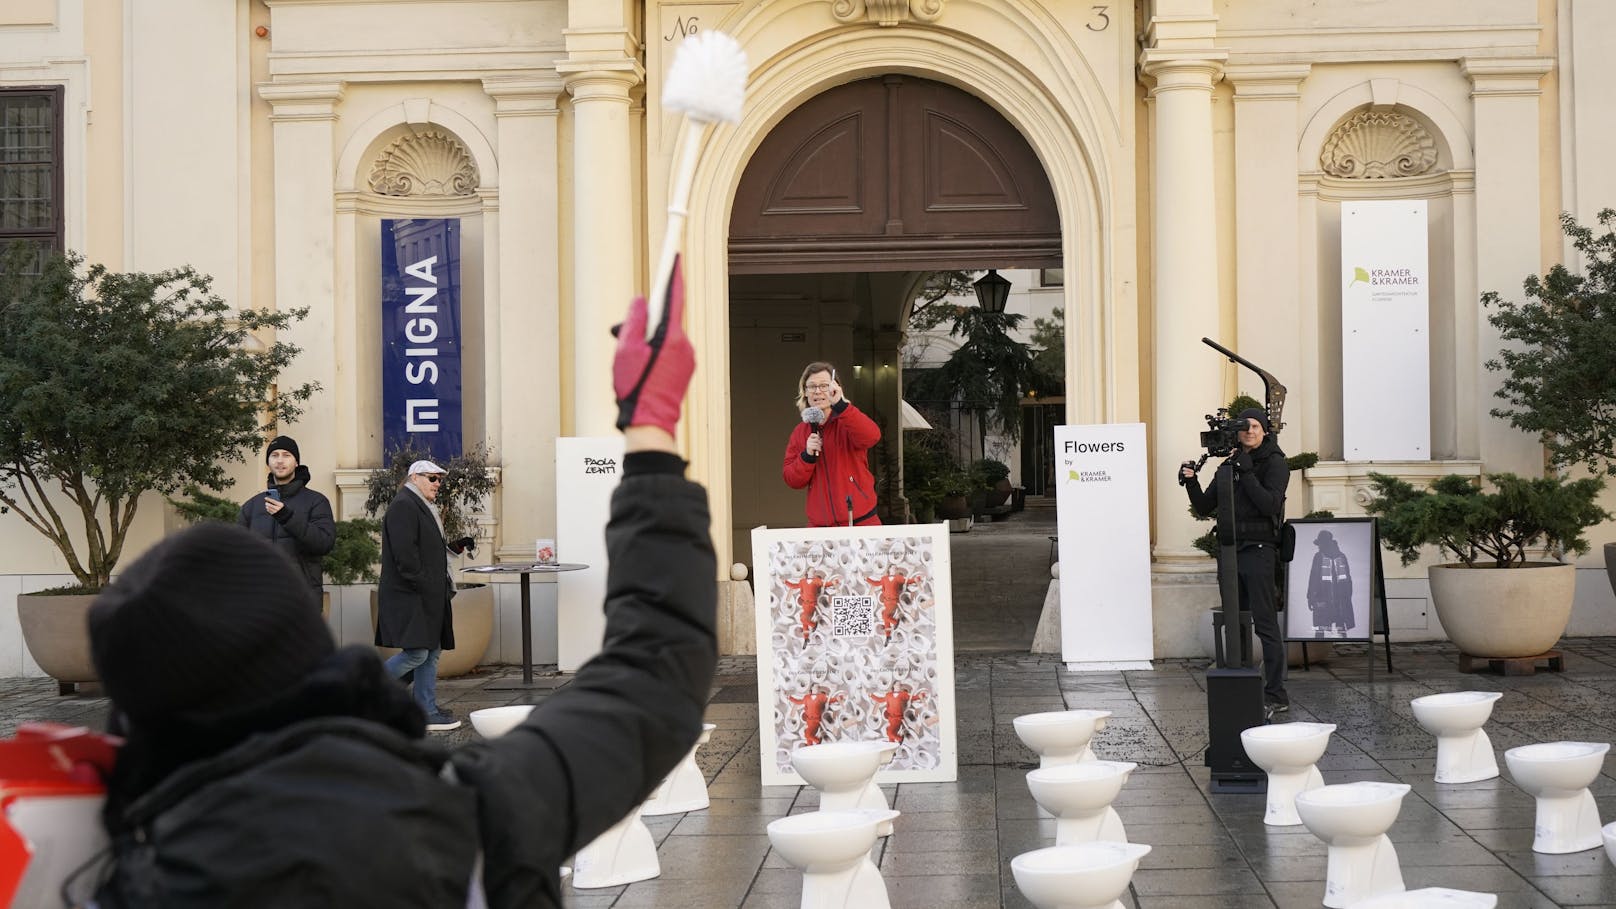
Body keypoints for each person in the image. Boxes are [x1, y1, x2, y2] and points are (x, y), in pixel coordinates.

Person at [76, 271, 713, 908]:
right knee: (419, 658)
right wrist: (649, 426)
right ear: (306, 658)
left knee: (427, 659)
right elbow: (652, 682)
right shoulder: (462, 818)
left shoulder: (117, 881)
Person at [1181, 407, 1291, 717]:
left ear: (1265, 431)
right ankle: (1242, 683)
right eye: (1245, 427)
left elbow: (1269, 504)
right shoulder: (1229, 466)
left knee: (1265, 623)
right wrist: (1191, 481)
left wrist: (1248, 471)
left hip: (1260, 550)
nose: (1250, 431)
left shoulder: (1275, 463)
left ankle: (1276, 694)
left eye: (1256, 426)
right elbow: (1205, 506)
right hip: (1230, 552)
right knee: (1236, 620)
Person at [374, 458, 470, 732]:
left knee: (432, 651)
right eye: (432, 478)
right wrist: (427, 586)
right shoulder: (404, 505)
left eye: (440, 479)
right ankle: (367, 691)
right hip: (411, 595)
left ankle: (426, 709)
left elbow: (427, 552)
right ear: (414, 478)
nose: (438, 484)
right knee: (417, 653)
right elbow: (406, 557)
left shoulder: (421, 506)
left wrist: (454, 547)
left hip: (425, 594)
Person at [236, 434, 335, 603]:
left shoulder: (316, 501)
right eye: (274, 455)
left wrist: (287, 517)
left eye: (286, 455)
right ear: (268, 463)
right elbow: (237, 555)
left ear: (296, 462)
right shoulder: (251, 507)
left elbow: (323, 543)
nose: (280, 461)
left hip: (301, 601)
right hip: (259, 602)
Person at [782, 361, 882, 527]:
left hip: (861, 523)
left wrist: (842, 406)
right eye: (812, 386)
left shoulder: (848, 421)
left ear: (835, 388)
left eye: (824, 386)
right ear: (805, 392)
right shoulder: (800, 432)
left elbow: (871, 437)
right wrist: (806, 456)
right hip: (820, 527)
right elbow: (791, 479)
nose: (818, 391)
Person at [1307, 529, 1355, 638]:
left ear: (1325, 543)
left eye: (1320, 544)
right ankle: (1342, 646)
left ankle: (1319, 647)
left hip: (1329, 599)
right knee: (1333, 626)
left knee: (1322, 627)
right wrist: (1347, 597)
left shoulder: (1319, 557)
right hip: (1335, 600)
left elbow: (1313, 579)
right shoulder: (1341, 556)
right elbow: (1348, 580)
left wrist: (1311, 598)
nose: (1319, 546)